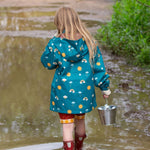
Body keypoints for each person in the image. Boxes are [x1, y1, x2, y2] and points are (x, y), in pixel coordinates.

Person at [41, 7, 111, 150]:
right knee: (80, 122)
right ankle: (79, 147)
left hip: (63, 91)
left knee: (67, 127)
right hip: (84, 91)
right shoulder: (89, 42)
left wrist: (53, 46)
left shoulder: (55, 43)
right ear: (77, 21)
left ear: (59, 23)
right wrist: (105, 87)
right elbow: (98, 67)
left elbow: (47, 63)